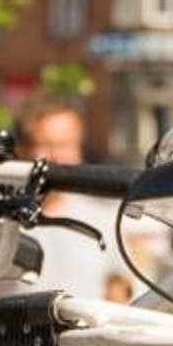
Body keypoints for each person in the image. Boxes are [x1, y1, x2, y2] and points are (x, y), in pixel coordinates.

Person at [21, 96, 117, 299]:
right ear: (22, 150)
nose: (57, 157)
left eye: (66, 145)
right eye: (46, 145)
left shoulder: (102, 220)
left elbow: (118, 289)